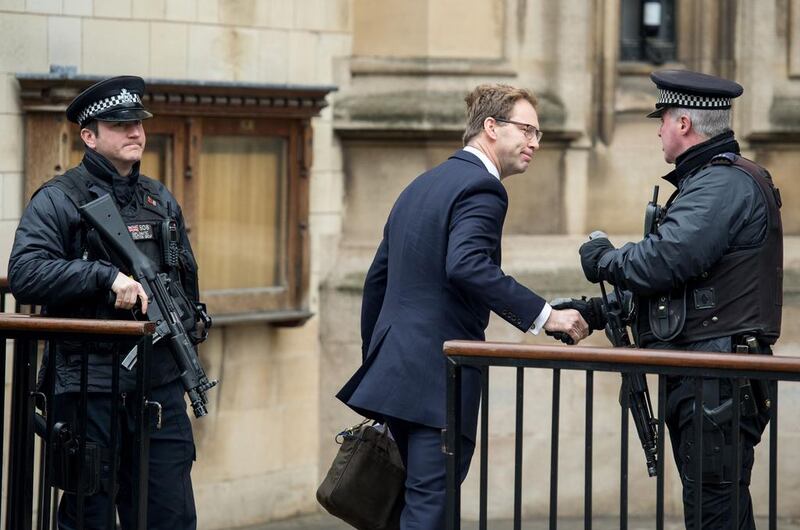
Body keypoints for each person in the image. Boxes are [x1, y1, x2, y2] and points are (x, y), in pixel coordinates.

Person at [336, 83, 589, 529]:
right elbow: (468, 266)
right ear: (491, 127)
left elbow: (378, 280)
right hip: (437, 377)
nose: (534, 142)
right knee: (429, 511)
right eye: (526, 129)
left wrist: (380, 358)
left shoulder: (422, 184)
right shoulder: (482, 189)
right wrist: (547, 316)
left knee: (403, 509)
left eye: (540, 134)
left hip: (396, 373)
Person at [574, 69, 782, 529]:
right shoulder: (712, 181)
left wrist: (604, 259)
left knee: (714, 515)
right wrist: (593, 311)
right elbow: (678, 288)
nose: (658, 130)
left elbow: (664, 261)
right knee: (720, 511)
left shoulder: (720, 184)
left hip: (717, 379)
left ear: (683, 123)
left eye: (662, 118)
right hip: (711, 375)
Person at [8, 76, 199, 529]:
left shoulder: (159, 199)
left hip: (159, 383)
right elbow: (25, 274)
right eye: (119, 124)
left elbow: (185, 282)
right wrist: (104, 277)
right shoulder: (59, 199)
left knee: (169, 515)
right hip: (89, 385)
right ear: (89, 136)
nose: (135, 132)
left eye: (137, 123)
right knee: (89, 518)